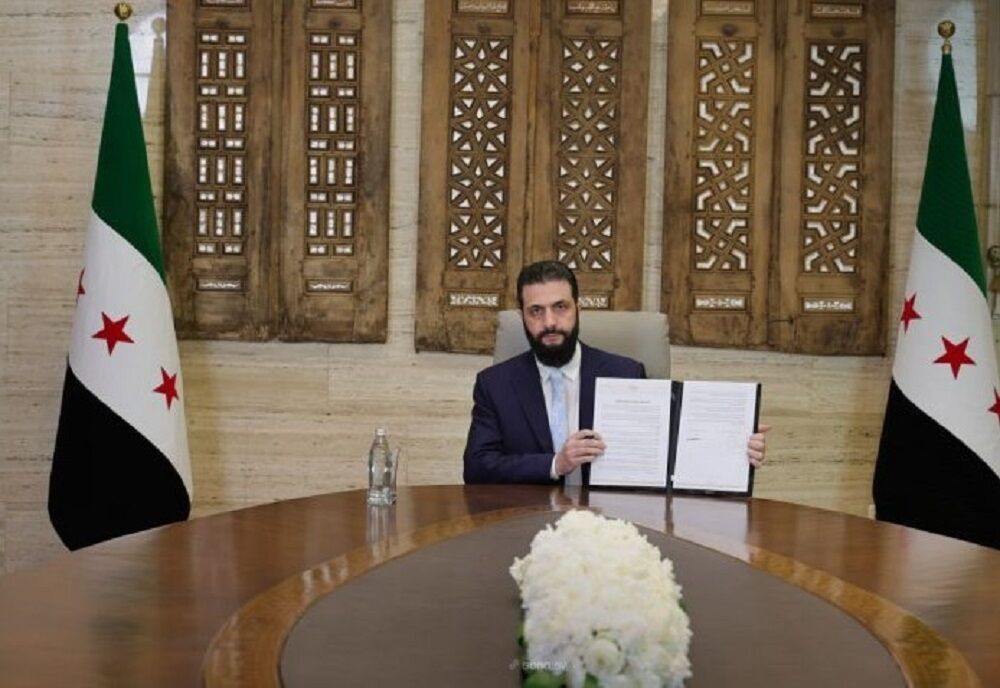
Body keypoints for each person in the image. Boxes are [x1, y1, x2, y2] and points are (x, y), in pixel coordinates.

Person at [463, 260, 768, 484]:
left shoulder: (625, 373)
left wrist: (734, 448)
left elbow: (669, 452)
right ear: (522, 317)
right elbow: (477, 468)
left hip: (610, 522)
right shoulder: (495, 384)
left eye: (560, 307)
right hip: (526, 520)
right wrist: (556, 463)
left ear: (578, 308)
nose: (550, 322)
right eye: (536, 311)